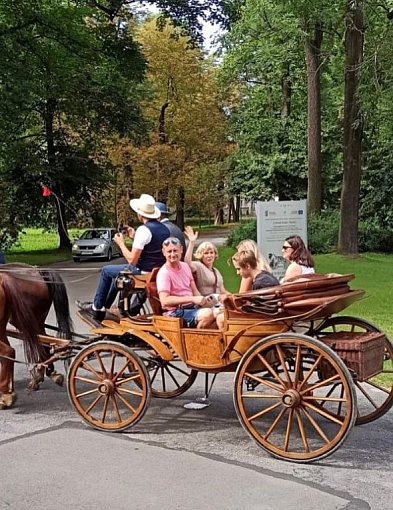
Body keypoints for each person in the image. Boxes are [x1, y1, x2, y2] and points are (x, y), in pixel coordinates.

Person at [76, 193, 169, 320]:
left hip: (142, 272)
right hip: (156, 271)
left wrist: (121, 244)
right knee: (115, 277)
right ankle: (104, 306)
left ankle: (97, 307)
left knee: (106, 270)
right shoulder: (164, 229)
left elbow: (132, 260)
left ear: (140, 214)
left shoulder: (144, 230)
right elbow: (151, 247)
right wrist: (134, 238)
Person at [156, 237, 216, 329]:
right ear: (164, 252)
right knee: (207, 314)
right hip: (176, 312)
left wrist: (203, 301)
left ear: (181, 250)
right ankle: (196, 340)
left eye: (175, 250)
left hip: (192, 307)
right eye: (169, 251)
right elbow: (165, 300)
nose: (172, 254)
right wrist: (192, 299)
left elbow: (195, 291)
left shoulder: (185, 267)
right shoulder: (164, 273)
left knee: (220, 312)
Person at [184, 226, 228, 298]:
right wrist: (192, 243)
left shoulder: (216, 271)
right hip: (206, 303)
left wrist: (235, 296)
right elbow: (187, 262)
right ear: (201, 255)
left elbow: (223, 291)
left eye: (211, 252)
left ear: (215, 254)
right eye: (206, 253)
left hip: (219, 302)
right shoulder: (199, 266)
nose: (209, 255)